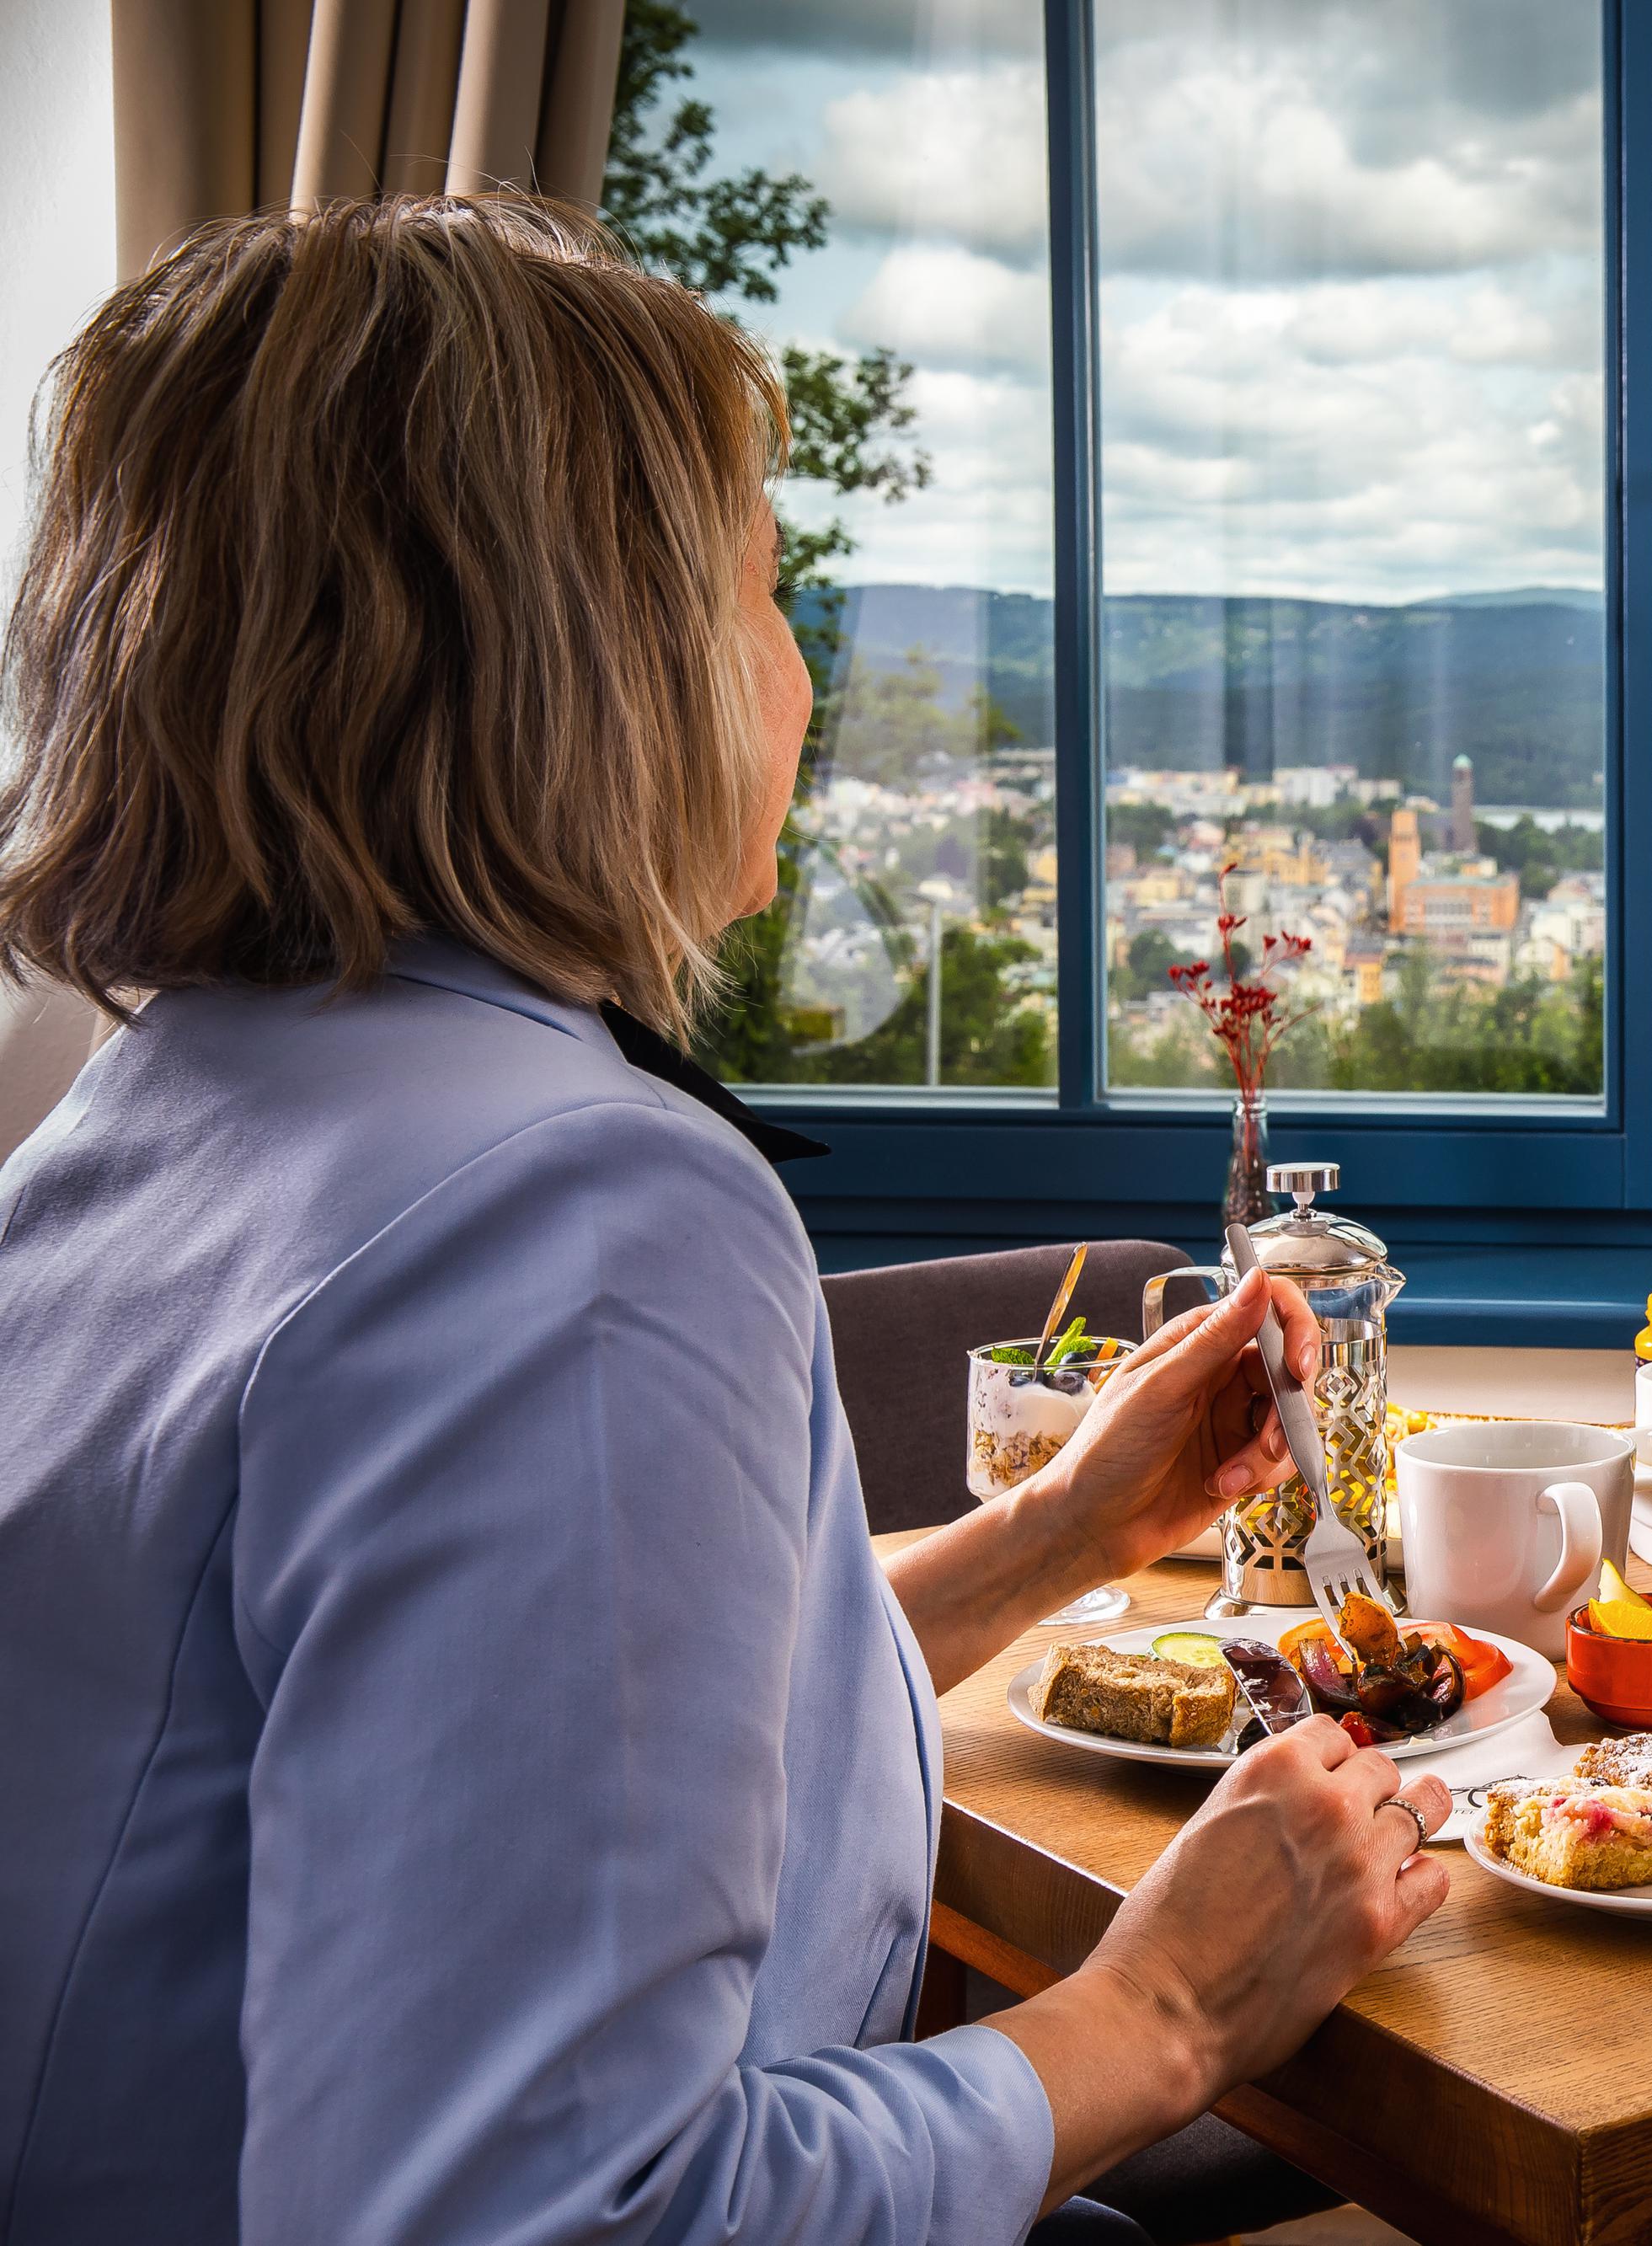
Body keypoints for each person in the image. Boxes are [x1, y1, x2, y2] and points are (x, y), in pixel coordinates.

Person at [0, 197, 1451, 2244]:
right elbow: (549, 2211)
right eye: (769, 594)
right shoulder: (573, 1218)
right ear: (600, 663)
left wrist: (1051, 1540)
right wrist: (1171, 2010)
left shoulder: (155, 1131)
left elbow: (516, 1762)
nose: (797, 675)